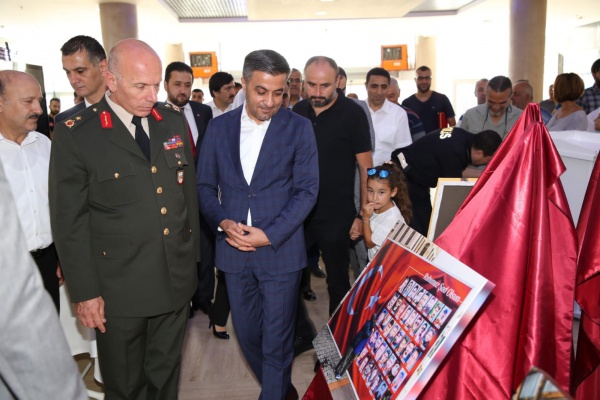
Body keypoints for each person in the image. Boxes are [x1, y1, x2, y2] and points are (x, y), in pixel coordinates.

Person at [49, 39, 201, 399]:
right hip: (118, 290)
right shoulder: (77, 132)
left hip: (174, 279)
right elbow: (69, 220)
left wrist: (191, 263)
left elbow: (186, 198)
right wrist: (85, 292)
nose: (152, 95)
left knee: (165, 379)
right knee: (126, 386)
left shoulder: (171, 120)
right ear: (111, 79)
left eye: (156, 85)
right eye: (141, 86)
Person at [197, 49, 319, 400]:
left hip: (281, 252)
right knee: (249, 335)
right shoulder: (219, 128)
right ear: (244, 84)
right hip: (234, 250)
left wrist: (270, 234)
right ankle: (282, 392)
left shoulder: (299, 128)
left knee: (277, 341)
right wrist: (223, 222)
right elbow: (204, 186)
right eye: (261, 91)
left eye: (279, 93)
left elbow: (307, 191)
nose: (270, 101)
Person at [292, 57, 372, 359]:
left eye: (324, 85)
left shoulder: (353, 114)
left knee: (337, 283)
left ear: (338, 81)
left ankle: (332, 352)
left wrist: (362, 214)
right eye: (311, 85)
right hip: (299, 213)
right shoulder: (298, 111)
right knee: (289, 279)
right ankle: (302, 336)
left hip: (338, 214)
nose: (317, 92)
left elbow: (366, 168)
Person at [0, 161, 88, 400]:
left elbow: (62, 208)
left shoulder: (48, 148)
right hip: (14, 266)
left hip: (48, 259)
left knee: (47, 335)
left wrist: (62, 255)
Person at [162, 62, 228, 336]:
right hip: (173, 195)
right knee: (180, 249)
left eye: (187, 85)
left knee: (206, 247)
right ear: (166, 85)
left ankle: (204, 297)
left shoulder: (203, 112)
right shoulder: (156, 115)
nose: (183, 90)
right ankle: (185, 299)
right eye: (177, 84)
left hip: (203, 191)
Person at [0, 71, 61, 311]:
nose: (38, 109)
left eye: (39, 101)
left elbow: (58, 205)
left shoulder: (45, 145)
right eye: (28, 101)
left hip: (47, 265)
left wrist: (61, 257)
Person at [391, 128, 502, 235]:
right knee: (417, 231)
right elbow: (453, 188)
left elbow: (458, 171)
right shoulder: (455, 151)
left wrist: (488, 175)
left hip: (415, 178)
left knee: (427, 226)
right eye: (488, 160)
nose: (486, 164)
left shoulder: (461, 136)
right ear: (479, 153)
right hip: (404, 179)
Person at [362, 163, 412, 260]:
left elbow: (369, 243)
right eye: (370, 191)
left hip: (386, 266)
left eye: (381, 192)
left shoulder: (391, 218)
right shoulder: (377, 207)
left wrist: (365, 219)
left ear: (393, 192)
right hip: (376, 262)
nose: (374, 197)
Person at [365, 68, 412, 165]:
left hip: (386, 172)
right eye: (374, 86)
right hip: (357, 172)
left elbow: (403, 152)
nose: (379, 92)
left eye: (383, 87)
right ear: (366, 86)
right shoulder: (356, 110)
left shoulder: (399, 114)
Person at [55, 35, 107, 123]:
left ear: (103, 67)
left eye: (80, 71)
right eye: (68, 72)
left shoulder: (129, 110)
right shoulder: (65, 120)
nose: (72, 81)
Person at [460, 75, 522, 139]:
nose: (496, 108)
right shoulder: (470, 115)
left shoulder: (522, 118)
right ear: (486, 95)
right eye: (491, 102)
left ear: (510, 97)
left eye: (502, 103)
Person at [402, 66, 456, 133]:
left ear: (431, 79)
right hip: (415, 140)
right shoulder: (407, 103)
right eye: (420, 78)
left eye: (427, 78)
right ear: (415, 80)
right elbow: (403, 128)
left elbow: (452, 125)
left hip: (438, 139)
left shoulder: (442, 99)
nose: (424, 81)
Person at [389, 77, 426, 141]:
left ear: (399, 93)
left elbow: (421, 143)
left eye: (391, 96)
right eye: (384, 97)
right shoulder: (373, 115)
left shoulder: (411, 117)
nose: (387, 101)